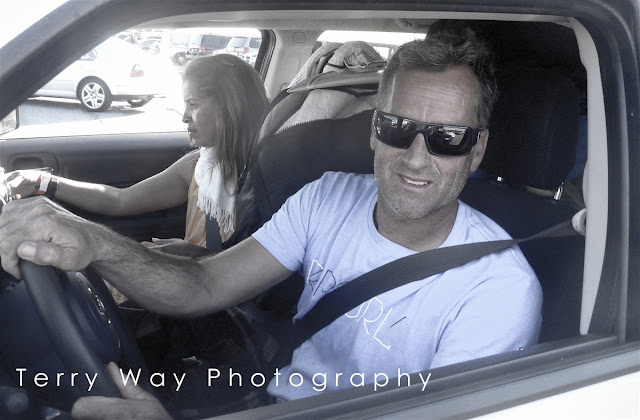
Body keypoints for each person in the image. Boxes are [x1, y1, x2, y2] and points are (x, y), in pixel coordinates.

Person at [0, 32, 542, 418]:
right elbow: (204, 284)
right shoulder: (328, 198)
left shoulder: (498, 292)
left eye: (448, 137)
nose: (417, 158)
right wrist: (95, 243)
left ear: (477, 150)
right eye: (398, 128)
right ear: (374, 131)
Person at [3, 53, 270, 255]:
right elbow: (120, 200)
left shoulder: (267, 180)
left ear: (229, 108)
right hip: (191, 279)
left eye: (194, 105)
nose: (185, 117)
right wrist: (44, 182)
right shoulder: (197, 166)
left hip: (219, 294)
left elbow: (265, 264)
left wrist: (199, 255)